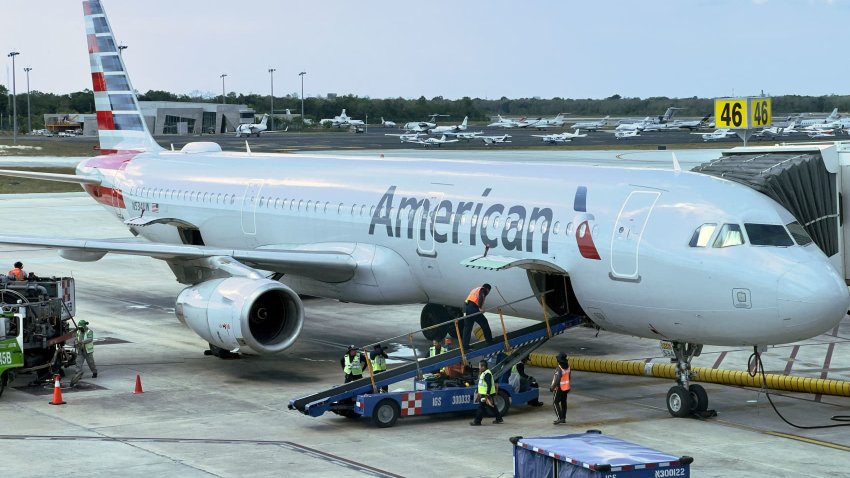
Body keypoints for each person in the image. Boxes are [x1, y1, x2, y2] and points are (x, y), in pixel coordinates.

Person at [461, 283, 494, 349]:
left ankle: (465, 346)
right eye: (488, 292)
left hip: (465, 308)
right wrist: (480, 308)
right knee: (484, 323)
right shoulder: (483, 290)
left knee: (467, 327)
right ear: (488, 289)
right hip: (473, 308)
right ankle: (489, 341)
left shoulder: (475, 289)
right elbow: (481, 296)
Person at [470, 360, 503, 426]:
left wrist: (487, 394)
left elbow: (489, 384)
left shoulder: (487, 373)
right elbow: (482, 384)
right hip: (484, 393)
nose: (479, 367)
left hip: (486, 394)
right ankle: (499, 418)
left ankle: (477, 421)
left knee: (481, 407)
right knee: (492, 406)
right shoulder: (484, 373)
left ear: (483, 366)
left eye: (479, 366)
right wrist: (478, 390)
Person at [71, 319, 97, 386]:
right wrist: (76, 342)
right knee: (78, 363)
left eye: (81, 327)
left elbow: (90, 339)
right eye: (79, 327)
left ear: (84, 326)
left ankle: (94, 372)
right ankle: (78, 375)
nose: (80, 329)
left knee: (91, 363)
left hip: (87, 351)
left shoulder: (89, 331)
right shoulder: (78, 331)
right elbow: (76, 338)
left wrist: (82, 341)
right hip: (80, 350)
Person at [550, 352, 571, 425]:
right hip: (566, 388)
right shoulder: (568, 367)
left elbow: (557, 379)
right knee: (563, 402)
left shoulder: (559, 368)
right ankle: (563, 418)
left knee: (555, 402)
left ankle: (560, 418)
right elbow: (569, 377)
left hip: (559, 388)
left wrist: (552, 388)